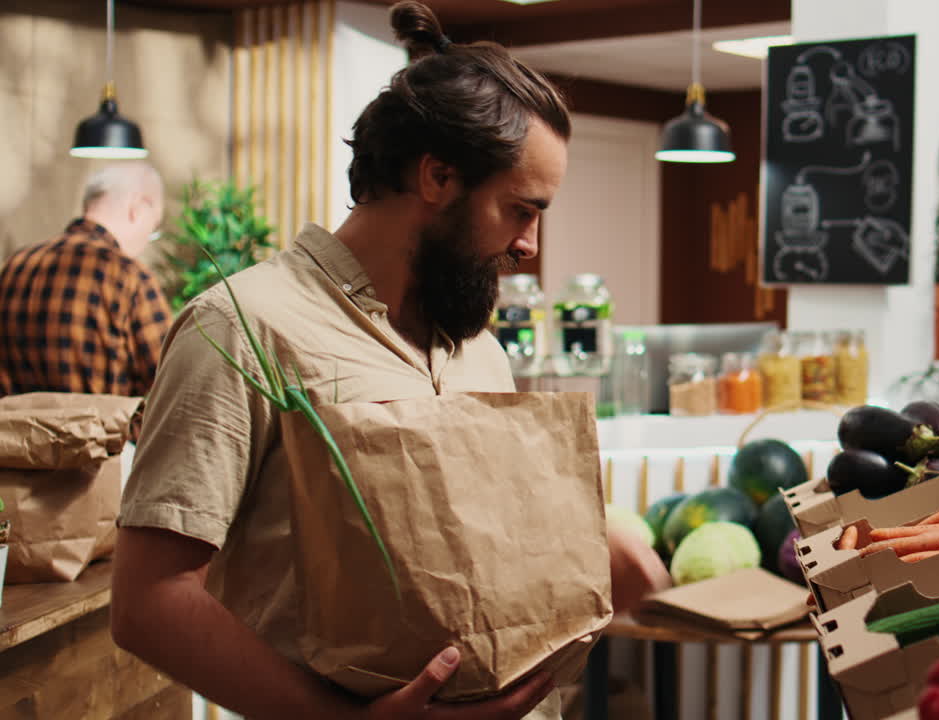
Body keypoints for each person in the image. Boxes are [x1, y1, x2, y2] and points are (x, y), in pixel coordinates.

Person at [109, 3, 671, 719]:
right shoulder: (243, 327)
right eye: (521, 210)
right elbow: (149, 602)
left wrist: (595, 544)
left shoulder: (478, 349)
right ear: (437, 177)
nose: (530, 245)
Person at [0, 161, 171, 398]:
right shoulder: (129, 275)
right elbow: (169, 379)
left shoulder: (14, 265)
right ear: (138, 209)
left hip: (16, 433)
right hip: (104, 435)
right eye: (154, 227)